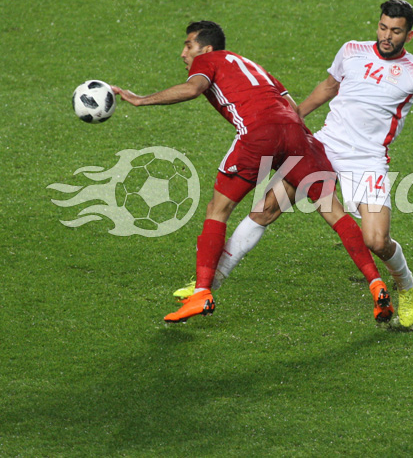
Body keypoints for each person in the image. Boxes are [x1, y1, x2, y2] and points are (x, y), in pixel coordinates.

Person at [175, 1, 413, 328]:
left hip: (367, 160)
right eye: (383, 27)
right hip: (324, 145)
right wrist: (292, 118)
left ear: (409, 35)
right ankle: (209, 284)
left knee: (377, 241)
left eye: (395, 31)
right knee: (265, 210)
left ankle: (406, 286)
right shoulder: (352, 51)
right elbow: (327, 88)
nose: (386, 36)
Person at [112, 20, 394, 324]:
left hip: (259, 133)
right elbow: (289, 105)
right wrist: (308, 150)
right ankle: (376, 286)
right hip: (296, 132)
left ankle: (202, 292)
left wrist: (141, 99)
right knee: (334, 212)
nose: (183, 53)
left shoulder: (207, 61)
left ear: (206, 49)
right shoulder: (251, 64)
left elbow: (194, 89)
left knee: (218, 209)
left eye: (188, 45)